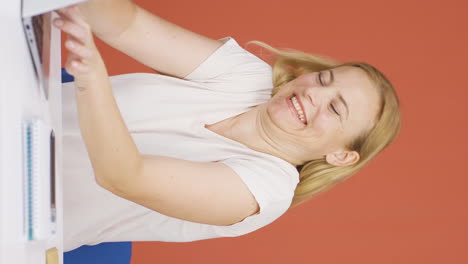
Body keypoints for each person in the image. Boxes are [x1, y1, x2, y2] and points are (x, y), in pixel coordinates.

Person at [55, 0, 401, 252]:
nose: (313, 94)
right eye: (324, 79)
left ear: (341, 155)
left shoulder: (267, 188)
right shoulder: (250, 77)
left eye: (335, 108)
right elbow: (127, 25)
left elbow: (124, 175)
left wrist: (92, 78)